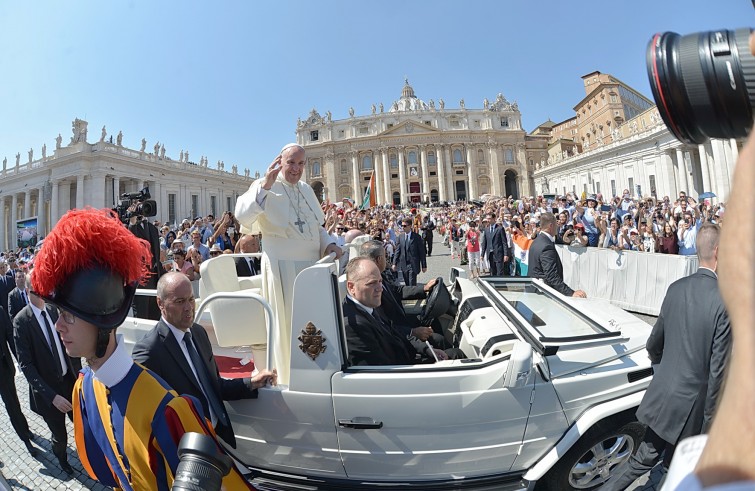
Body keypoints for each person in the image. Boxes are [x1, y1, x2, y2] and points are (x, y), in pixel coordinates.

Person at [31, 208, 253, 489]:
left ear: (102, 319)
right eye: (58, 314)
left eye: (69, 315)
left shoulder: (168, 409)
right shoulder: (83, 389)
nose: (58, 326)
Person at [602, 224, 730, 490]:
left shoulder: (676, 287)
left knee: (642, 462)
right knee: (673, 468)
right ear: (718, 251)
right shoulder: (724, 300)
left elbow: (654, 343)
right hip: (692, 409)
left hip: (664, 395)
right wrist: (709, 426)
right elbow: (718, 372)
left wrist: (666, 371)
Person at [235, 143, 341, 384]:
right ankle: (290, 377)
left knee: (315, 321)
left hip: (313, 268)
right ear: (279, 162)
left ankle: (318, 372)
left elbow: (317, 227)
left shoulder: (306, 189)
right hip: (282, 269)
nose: (296, 169)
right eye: (291, 163)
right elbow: (243, 215)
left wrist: (330, 245)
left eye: (301, 163)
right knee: (288, 325)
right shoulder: (264, 185)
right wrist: (266, 186)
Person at [132, 272, 277, 447]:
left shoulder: (199, 333)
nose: (189, 307)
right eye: (180, 302)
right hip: (187, 449)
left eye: (191, 300)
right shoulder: (149, 351)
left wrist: (252, 382)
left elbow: (214, 386)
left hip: (219, 437)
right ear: (160, 303)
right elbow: (149, 418)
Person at [14, 274, 82, 475]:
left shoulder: (53, 311)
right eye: (38, 292)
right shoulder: (21, 322)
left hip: (69, 382)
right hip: (49, 393)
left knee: (80, 423)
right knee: (60, 435)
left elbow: (68, 343)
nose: (43, 296)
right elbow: (26, 365)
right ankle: (62, 461)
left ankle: (88, 455)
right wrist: (52, 397)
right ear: (28, 292)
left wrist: (79, 374)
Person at [342, 258, 446, 366]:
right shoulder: (354, 326)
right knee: (456, 356)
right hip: (400, 372)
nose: (380, 288)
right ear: (351, 287)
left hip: (405, 358)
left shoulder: (368, 304)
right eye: (371, 283)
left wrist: (428, 350)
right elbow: (379, 372)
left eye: (380, 281)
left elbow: (395, 333)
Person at [0, 305, 37, 457]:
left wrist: (22, 362)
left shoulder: (0, 311)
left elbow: (10, 335)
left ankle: (24, 434)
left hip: (3, 368)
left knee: (12, 403)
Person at [528, 212, 586, 298]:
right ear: (551, 226)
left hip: (534, 292)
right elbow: (551, 276)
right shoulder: (546, 245)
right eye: (556, 224)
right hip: (542, 295)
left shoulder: (536, 242)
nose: (557, 226)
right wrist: (571, 293)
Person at [129, 215, 164, 321]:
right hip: (140, 280)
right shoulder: (130, 227)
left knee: (155, 316)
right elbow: (130, 241)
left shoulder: (152, 228)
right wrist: (132, 223)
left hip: (155, 279)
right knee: (141, 316)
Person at [392, 218, 427, 286]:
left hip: (413, 264)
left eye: (405, 226)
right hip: (404, 264)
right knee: (407, 284)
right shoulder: (400, 237)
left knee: (412, 283)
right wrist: (394, 263)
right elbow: (397, 251)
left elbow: (422, 253)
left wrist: (424, 265)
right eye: (402, 226)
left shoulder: (417, 237)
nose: (403, 227)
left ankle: (413, 296)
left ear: (410, 226)